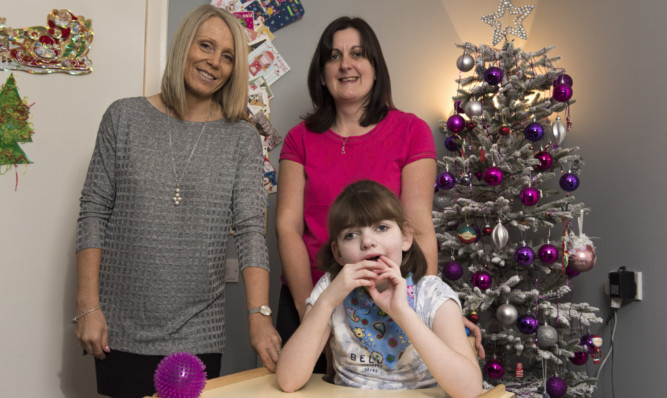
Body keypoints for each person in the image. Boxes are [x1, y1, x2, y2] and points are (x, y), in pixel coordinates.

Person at [73, 5, 281, 397]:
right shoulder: (123, 118)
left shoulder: (240, 139)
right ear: (185, 45)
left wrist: (259, 315)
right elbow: (94, 211)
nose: (214, 62)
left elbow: (252, 229)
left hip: (198, 330)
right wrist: (88, 306)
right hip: (118, 326)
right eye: (206, 45)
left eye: (227, 56)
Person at [275, 16, 483, 370]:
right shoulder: (299, 138)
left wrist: (428, 308)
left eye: (358, 53)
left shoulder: (410, 131)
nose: (346, 65)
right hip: (314, 296)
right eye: (334, 56)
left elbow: (418, 226)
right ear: (322, 72)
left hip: (384, 302)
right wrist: (311, 311)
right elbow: (288, 228)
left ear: (375, 66)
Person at [276, 180, 482, 397]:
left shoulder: (433, 294)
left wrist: (403, 313)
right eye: (351, 235)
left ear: (405, 237)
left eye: (381, 228)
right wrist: (327, 302)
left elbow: (469, 390)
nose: (367, 241)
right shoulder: (329, 289)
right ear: (338, 254)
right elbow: (288, 380)